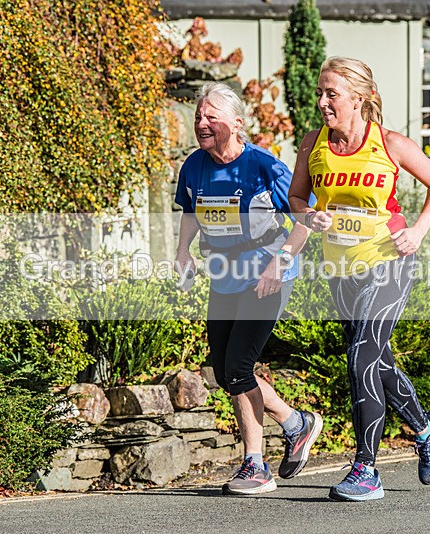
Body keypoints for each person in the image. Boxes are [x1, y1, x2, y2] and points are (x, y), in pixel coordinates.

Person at [288, 57, 430, 502]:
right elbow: (297, 197)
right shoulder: (312, 144)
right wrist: (309, 215)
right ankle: (425, 428)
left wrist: (417, 232)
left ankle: (366, 469)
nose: (322, 102)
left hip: (388, 262)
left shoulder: (390, 143)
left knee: (362, 356)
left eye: (331, 94)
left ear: (358, 98)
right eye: (320, 93)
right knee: (377, 362)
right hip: (341, 269)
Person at [174, 81, 323, 496]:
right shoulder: (194, 166)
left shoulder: (264, 166)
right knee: (224, 371)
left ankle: (255, 465)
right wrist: (183, 251)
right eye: (199, 116)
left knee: (239, 367)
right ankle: (296, 424)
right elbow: (189, 209)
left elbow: (304, 218)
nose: (202, 123)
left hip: (266, 276)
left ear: (236, 124)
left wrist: (281, 261)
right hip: (224, 276)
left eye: (211, 117)